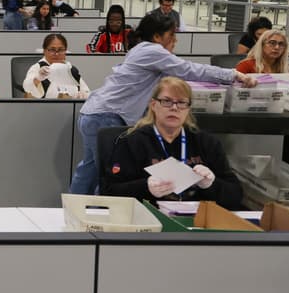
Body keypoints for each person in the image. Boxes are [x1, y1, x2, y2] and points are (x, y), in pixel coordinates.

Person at [70, 13, 256, 195]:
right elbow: (188, 69)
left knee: (89, 169)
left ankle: (72, 207)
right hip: (107, 116)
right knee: (106, 172)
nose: (175, 40)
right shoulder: (153, 51)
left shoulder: (141, 49)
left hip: (93, 113)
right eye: (171, 35)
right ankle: (99, 212)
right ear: (157, 36)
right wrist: (231, 75)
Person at [101, 76, 242, 209]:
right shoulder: (131, 142)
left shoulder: (206, 142)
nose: (174, 108)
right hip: (148, 218)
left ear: (188, 109)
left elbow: (235, 195)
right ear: (153, 105)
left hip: (196, 219)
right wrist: (145, 187)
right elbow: (108, 191)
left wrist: (210, 185)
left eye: (181, 102)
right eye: (167, 101)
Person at [22, 33, 90, 99]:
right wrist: (37, 79)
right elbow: (27, 88)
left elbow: (86, 91)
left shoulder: (71, 69)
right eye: (52, 50)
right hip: (45, 108)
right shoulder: (38, 67)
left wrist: (82, 95)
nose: (57, 54)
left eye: (60, 50)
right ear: (45, 51)